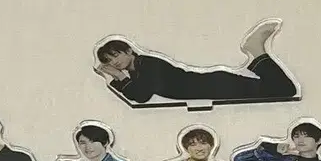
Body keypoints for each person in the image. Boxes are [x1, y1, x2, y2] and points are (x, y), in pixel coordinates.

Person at [94, 19, 299, 105]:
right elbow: (138, 94)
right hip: (213, 88)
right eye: (110, 61)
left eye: (116, 55)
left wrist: (117, 76)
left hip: (215, 86)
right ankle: (256, 53)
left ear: (129, 50)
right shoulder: (137, 71)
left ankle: (256, 50)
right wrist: (114, 78)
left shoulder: (147, 64)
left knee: (284, 90)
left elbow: (141, 96)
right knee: (279, 90)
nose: (115, 62)